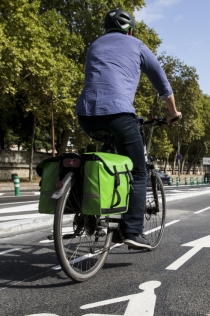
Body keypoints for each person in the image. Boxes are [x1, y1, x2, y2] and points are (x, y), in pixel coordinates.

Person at [75, 9, 182, 250]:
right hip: (119, 114)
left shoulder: (95, 45)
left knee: (105, 161)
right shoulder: (136, 44)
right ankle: (132, 231)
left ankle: (90, 213)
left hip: (86, 115)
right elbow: (161, 81)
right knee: (138, 172)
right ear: (130, 30)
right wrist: (172, 113)